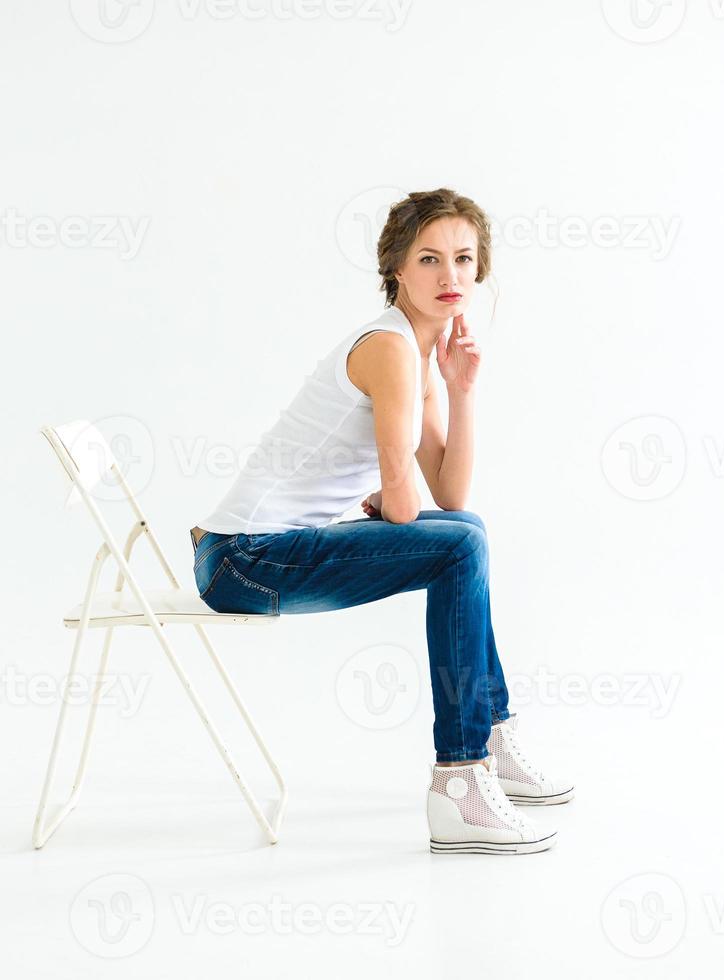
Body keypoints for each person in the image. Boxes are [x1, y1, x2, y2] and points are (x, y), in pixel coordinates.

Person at [191, 188, 571, 855]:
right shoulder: (390, 350)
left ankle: (489, 738)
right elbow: (405, 508)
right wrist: (389, 497)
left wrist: (460, 389)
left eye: (463, 258)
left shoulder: (418, 356)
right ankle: (461, 780)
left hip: (256, 552)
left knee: (467, 532)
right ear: (397, 268)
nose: (449, 277)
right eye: (429, 259)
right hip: (243, 559)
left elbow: (449, 496)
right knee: (459, 548)